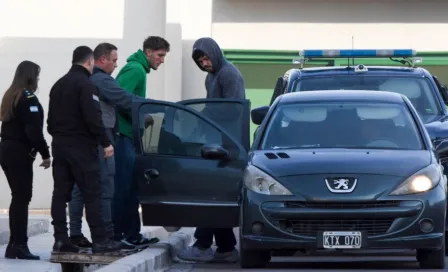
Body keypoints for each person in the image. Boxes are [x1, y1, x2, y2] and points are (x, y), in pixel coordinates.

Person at [67, 42, 156, 249]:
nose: (116, 65)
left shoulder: (70, 81)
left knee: (78, 189)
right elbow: (124, 99)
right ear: (101, 60)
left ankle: (75, 235)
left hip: (77, 141)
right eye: (114, 60)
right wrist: (154, 107)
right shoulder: (102, 80)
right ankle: (109, 237)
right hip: (101, 141)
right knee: (108, 188)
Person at [47, 45, 122, 253]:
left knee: (60, 194)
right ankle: (100, 240)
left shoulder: (57, 85)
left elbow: (50, 123)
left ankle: (61, 240)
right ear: (90, 61)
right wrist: (106, 142)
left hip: (60, 147)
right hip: (82, 148)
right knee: (93, 193)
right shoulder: (86, 85)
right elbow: (93, 118)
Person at [177, 37, 245, 263]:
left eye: (206, 58)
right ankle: (225, 247)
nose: (205, 63)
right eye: (200, 60)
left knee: (209, 193)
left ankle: (203, 244)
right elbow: (212, 106)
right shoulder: (212, 76)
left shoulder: (228, 74)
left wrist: (205, 116)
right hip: (215, 143)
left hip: (227, 145)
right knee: (214, 195)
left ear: (215, 53)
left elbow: (232, 110)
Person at [112, 36, 170, 246]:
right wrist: (143, 116)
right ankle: (117, 235)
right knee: (123, 188)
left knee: (131, 188)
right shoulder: (135, 69)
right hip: (123, 137)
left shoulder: (138, 69)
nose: (162, 60)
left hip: (129, 137)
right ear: (148, 52)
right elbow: (118, 99)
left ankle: (131, 235)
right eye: (160, 55)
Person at [0, 61, 51, 260]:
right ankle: (19, 245)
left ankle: (15, 244)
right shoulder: (28, 98)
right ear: (31, 77)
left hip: (7, 150)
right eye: (37, 76)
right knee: (22, 198)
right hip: (18, 153)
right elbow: (34, 131)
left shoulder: (10, 94)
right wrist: (45, 154)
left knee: (18, 197)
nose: (38, 80)